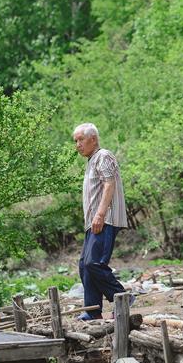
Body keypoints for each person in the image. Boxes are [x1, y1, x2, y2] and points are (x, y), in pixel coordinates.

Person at [73, 123, 132, 320]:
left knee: (94, 263)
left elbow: (109, 184)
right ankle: (92, 311)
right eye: (76, 141)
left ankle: (122, 296)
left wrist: (99, 214)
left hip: (104, 219)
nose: (78, 145)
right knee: (84, 265)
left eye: (81, 140)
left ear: (93, 139)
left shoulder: (104, 155)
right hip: (94, 222)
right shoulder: (91, 161)